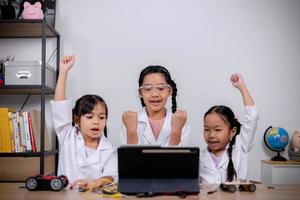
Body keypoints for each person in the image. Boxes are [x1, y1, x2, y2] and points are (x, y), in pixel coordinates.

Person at [51, 55, 117, 191]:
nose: (96, 122)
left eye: (101, 117)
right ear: (77, 120)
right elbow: (59, 106)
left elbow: (111, 175)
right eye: (89, 117)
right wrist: (63, 72)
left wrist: (97, 182)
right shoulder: (68, 136)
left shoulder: (109, 150)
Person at [200, 73, 259, 184]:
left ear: (232, 132)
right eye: (206, 129)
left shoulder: (241, 146)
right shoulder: (200, 157)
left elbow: (253, 116)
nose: (211, 135)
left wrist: (242, 87)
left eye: (218, 130)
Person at [120, 65, 190, 146]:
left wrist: (176, 132)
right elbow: (128, 157)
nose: (155, 94)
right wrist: (131, 131)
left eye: (161, 88)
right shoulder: (128, 121)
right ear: (140, 93)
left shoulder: (181, 122)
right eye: (148, 89)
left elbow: (178, 158)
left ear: (170, 91)